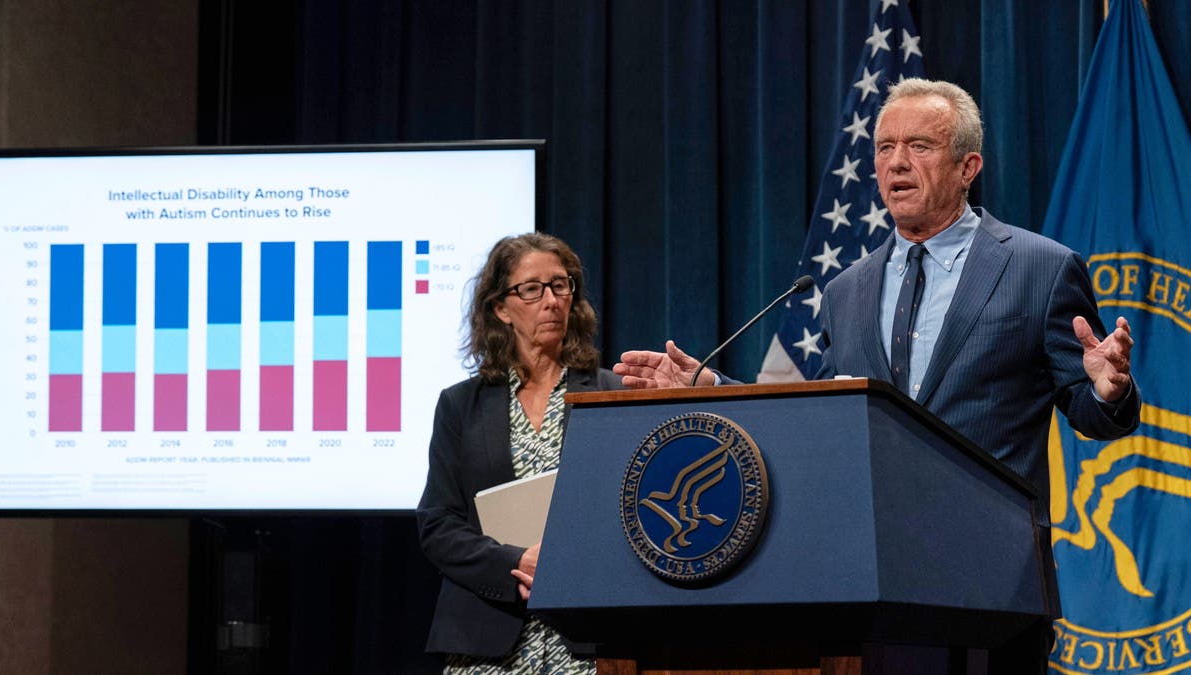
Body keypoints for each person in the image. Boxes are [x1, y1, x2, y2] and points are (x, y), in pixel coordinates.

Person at [613, 78, 1140, 673]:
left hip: (993, 583)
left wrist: (1108, 388)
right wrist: (709, 389)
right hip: (872, 586)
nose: (896, 163)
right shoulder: (846, 289)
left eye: (919, 146)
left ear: (969, 166)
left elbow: (1093, 414)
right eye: (885, 147)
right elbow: (827, 417)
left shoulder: (1039, 267)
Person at [417, 232, 623, 673]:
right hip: (489, 638)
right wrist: (515, 562)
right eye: (531, 289)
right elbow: (438, 525)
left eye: (560, 285)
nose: (550, 300)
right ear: (500, 308)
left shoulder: (612, 395)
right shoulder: (461, 405)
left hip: (587, 639)